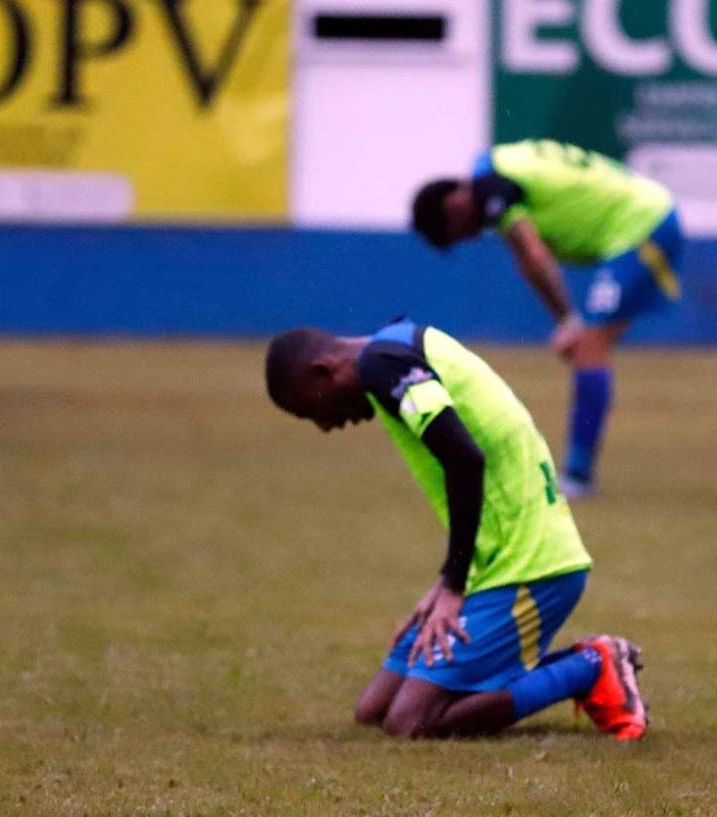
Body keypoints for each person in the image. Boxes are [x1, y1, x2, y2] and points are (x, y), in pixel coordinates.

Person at [264, 318, 647, 740]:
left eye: (310, 409)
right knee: (373, 710)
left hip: (530, 565)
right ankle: (549, 664)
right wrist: (443, 584)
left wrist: (452, 585)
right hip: (495, 562)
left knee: (410, 722)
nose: (323, 425)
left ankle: (592, 666)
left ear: (325, 370)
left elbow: (465, 458)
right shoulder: (395, 347)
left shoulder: (384, 365)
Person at [411, 139, 685, 498]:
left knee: (589, 346)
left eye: (461, 230)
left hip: (640, 226)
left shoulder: (492, 189)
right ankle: (579, 472)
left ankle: (578, 476)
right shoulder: (494, 169)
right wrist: (568, 322)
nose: (472, 235)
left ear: (454, 203)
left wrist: (568, 321)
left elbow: (533, 255)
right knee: (591, 346)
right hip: (647, 216)